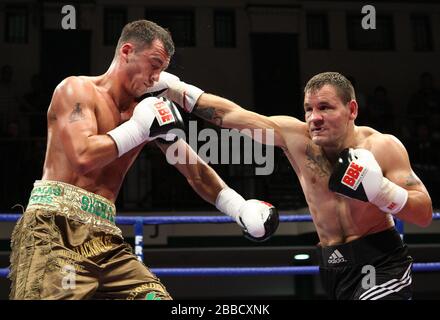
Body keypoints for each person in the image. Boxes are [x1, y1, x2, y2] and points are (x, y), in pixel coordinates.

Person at [8, 20, 279, 300]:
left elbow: (194, 172)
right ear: (127, 51)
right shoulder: (76, 90)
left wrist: (238, 207)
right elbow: (82, 156)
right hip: (54, 230)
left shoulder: (148, 113)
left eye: (162, 70)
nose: (156, 77)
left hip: (106, 240)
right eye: (154, 64)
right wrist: (138, 129)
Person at [147, 71, 433, 300]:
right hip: (332, 268)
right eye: (308, 109)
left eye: (325, 108)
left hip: (381, 263)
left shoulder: (382, 146)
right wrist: (177, 90)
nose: (314, 118)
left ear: (352, 109)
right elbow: (232, 116)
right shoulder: (295, 138)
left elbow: (422, 214)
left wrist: (382, 190)